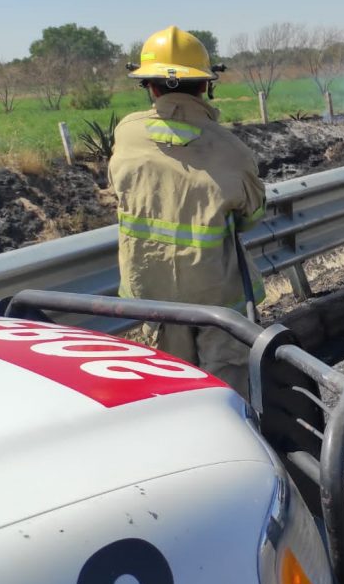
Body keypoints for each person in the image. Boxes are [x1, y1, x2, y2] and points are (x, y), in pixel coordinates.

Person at [108, 26, 266, 390]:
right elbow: (252, 218)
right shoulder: (231, 150)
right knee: (230, 393)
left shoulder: (126, 134)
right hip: (219, 302)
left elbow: (119, 191)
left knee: (175, 390)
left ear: (149, 85)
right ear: (205, 85)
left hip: (152, 298)